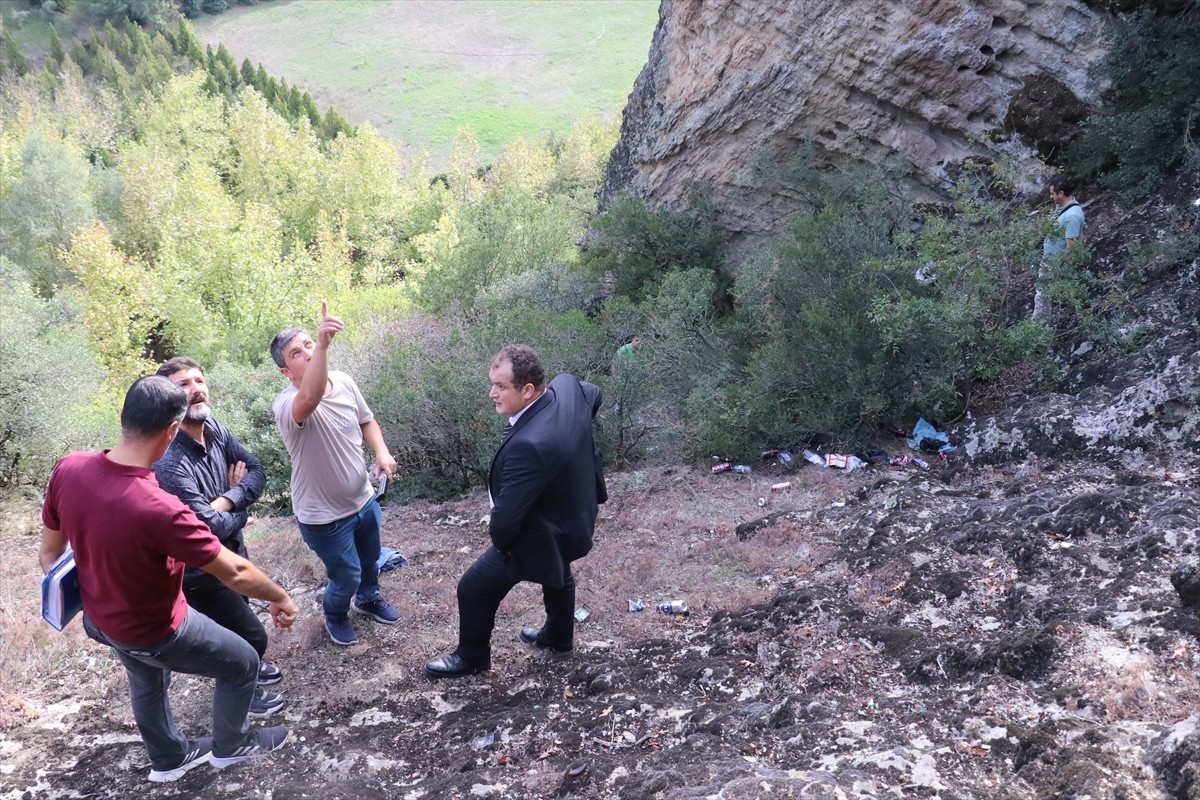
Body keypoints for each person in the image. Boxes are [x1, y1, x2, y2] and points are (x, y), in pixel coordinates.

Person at [39, 376, 296, 783]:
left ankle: (169, 758)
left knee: (146, 681)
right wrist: (281, 596)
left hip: (101, 621)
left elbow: (50, 554)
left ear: (124, 417)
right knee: (243, 662)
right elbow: (235, 571)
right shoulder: (160, 508)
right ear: (172, 430)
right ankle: (232, 746)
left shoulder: (70, 468)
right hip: (158, 629)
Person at [426, 344, 606, 678]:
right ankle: (558, 638)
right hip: (571, 517)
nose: (492, 393)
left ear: (527, 390)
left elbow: (506, 521)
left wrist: (503, 544)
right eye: (491, 383)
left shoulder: (529, 446)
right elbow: (593, 395)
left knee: (474, 587)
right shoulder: (566, 389)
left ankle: (472, 657)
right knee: (559, 568)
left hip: (539, 529)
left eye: (501, 387)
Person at [153, 356, 285, 718]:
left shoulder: (215, 429)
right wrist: (241, 511)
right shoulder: (168, 461)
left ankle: (249, 671)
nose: (195, 389)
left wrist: (227, 499)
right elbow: (205, 528)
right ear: (167, 399)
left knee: (241, 623)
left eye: (198, 380)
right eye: (183, 385)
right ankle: (245, 691)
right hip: (201, 573)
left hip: (233, 553)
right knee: (250, 639)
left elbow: (256, 470)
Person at [270, 301, 399, 647]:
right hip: (324, 517)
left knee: (370, 562)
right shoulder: (286, 404)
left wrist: (381, 451)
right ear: (286, 371)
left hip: (363, 499)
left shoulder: (343, 381)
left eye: (309, 344)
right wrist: (325, 346)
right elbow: (309, 397)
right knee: (346, 575)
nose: (308, 353)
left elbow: (365, 419)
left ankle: (369, 599)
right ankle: (336, 614)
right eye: (297, 353)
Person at [1032, 175, 1085, 320]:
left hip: (1055, 264)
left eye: (1052, 194)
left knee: (1042, 295)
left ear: (1061, 193)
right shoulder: (1061, 207)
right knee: (1043, 293)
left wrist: (1057, 269)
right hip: (1048, 259)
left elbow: (1071, 247)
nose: (1051, 197)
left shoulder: (1073, 216)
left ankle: (1039, 326)